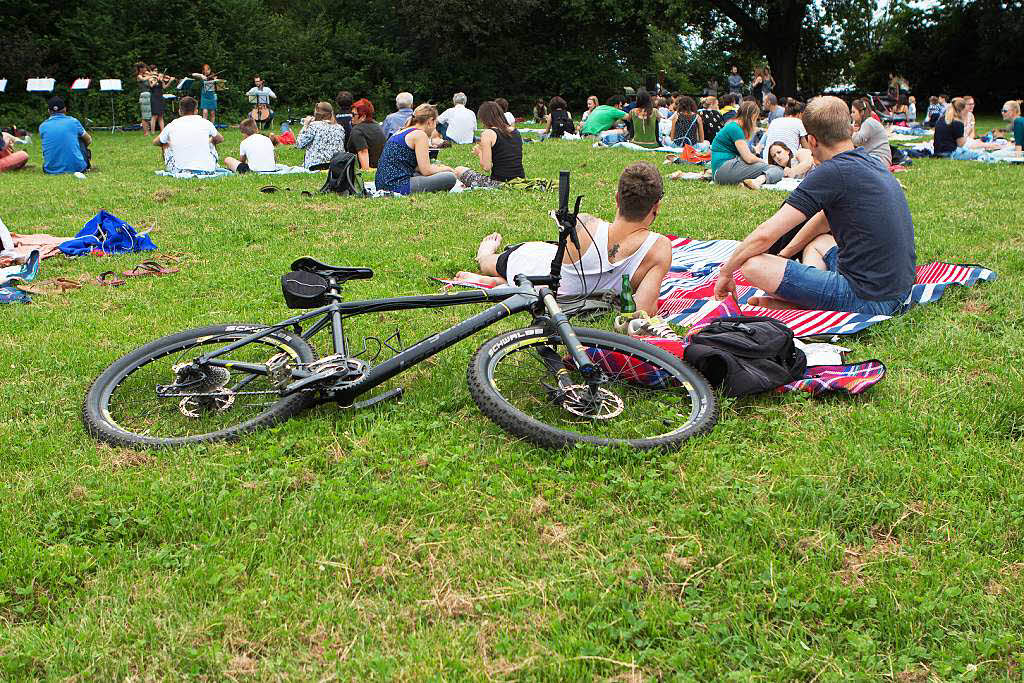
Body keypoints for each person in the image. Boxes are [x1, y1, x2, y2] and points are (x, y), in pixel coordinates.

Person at [713, 95, 915, 315]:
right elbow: (821, 221)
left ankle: (810, 305)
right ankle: (810, 298)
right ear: (848, 130)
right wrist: (785, 255)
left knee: (752, 264)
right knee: (820, 241)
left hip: (868, 298)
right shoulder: (871, 162)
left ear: (812, 141)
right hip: (898, 289)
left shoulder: (832, 171)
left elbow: (766, 234)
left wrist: (726, 271)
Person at [454, 162, 672, 316]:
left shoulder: (585, 224)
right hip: (553, 286)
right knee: (494, 263)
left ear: (617, 199)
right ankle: (492, 266)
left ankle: (494, 266)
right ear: (657, 207)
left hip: (536, 270)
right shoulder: (658, 249)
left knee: (494, 263)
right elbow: (643, 310)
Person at [375, 103, 457, 194]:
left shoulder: (402, 130)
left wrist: (437, 168)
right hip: (397, 186)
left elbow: (417, 167)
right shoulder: (420, 135)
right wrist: (445, 168)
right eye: (435, 123)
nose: (435, 127)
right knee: (450, 177)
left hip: (382, 183)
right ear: (430, 121)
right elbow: (426, 170)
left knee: (435, 173)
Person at [454, 101, 525, 189]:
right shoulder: (515, 131)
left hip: (499, 183)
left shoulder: (488, 134)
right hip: (520, 179)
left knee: (458, 170)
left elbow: (486, 167)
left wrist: (479, 152)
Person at [710, 101, 780, 186]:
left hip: (720, 171)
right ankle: (757, 182)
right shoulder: (735, 128)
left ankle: (748, 182)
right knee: (777, 169)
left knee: (764, 168)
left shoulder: (733, 125)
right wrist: (764, 161)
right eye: (756, 119)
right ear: (753, 116)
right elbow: (748, 158)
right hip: (724, 170)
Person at [153, 96, 222, 173]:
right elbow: (220, 139)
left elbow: (156, 141)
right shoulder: (206, 123)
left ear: (179, 111)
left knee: (164, 143)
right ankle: (213, 164)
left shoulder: (172, 125)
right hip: (207, 168)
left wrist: (171, 143)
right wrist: (209, 140)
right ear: (196, 111)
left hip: (179, 169)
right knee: (213, 139)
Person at [40, 97, 92, 175]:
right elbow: (88, 140)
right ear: (65, 109)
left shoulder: (42, 126)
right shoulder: (74, 122)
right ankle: (81, 163)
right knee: (81, 139)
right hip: (77, 168)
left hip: (50, 169)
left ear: (48, 111)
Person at [296, 101, 346, 170]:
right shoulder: (340, 128)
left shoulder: (314, 126)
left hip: (315, 166)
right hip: (335, 165)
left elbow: (299, 144)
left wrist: (305, 125)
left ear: (317, 113)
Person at [743, 142, 814, 189]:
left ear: (787, 151)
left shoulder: (800, 152)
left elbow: (807, 163)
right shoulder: (780, 170)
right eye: (774, 156)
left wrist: (792, 172)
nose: (777, 156)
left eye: (779, 152)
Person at [345, 98, 386, 170]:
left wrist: (366, 172)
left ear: (363, 116)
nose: (351, 117)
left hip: (367, 169)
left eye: (353, 114)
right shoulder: (378, 126)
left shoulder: (357, 130)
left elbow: (363, 151)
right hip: (382, 168)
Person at [850, 98, 892, 169]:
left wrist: (852, 131)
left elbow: (857, 141)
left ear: (861, 112)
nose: (851, 115)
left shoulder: (868, 122)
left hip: (879, 159)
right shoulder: (867, 123)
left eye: (854, 112)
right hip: (878, 159)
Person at [146, 65, 174, 133]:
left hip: (160, 97)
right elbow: (151, 85)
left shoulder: (160, 78)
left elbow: (164, 87)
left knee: (161, 115)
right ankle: (152, 131)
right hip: (154, 97)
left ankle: (163, 131)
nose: (156, 72)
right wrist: (157, 80)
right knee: (154, 115)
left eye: (157, 70)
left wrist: (170, 81)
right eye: (155, 71)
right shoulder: (151, 79)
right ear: (151, 71)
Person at [134, 62, 151, 135]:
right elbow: (143, 79)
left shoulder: (146, 75)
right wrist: (150, 75)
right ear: (141, 69)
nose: (146, 69)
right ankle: (145, 132)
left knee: (148, 114)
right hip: (144, 95)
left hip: (148, 95)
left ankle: (148, 131)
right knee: (145, 115)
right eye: (144, 68)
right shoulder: (139, 76)